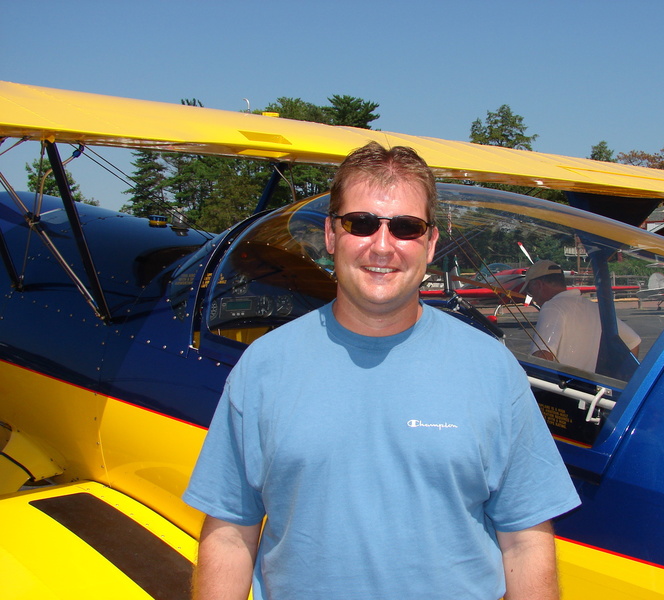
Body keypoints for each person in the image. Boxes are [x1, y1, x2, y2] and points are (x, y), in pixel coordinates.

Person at [183, 142, 580, 600]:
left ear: (431, 243)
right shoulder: (262, 367)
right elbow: (230, 534)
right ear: (331, 234)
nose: (383, 246)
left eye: (406, 227)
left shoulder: (493, 369)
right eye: (362, 223)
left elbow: (526, 541)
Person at [524, 260, 640, 373]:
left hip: (560, 384)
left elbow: (542, 356)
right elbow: (633, 341)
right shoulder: (594, 308)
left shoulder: (551, 307)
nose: (532, 297)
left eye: (529, 291)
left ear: (538, 285)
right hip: (587, 383)